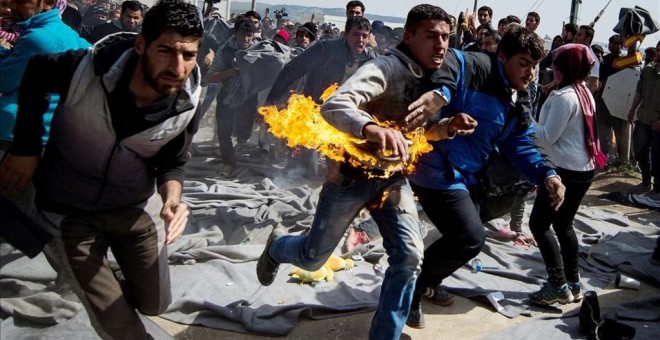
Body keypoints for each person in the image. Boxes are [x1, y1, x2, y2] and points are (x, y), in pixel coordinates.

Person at [257, 5, 476, 339]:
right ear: (409, 37)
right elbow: (335, 106)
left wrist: (447, 127)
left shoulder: (431, 81)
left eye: (445, 37)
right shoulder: (384, 68)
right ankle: (277, 247)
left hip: (392, 180)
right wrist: (373, 130)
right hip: (350, 178)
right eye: (431, 36)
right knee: (312, 257)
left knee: (410, 257)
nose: (441, 45)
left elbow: (422, 130)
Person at [0, 0, 203, 338]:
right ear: (141, 45)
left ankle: (112, 278)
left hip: (134, 212)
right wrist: (26, 149)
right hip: (69, 215)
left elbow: (173, 161)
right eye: (166, 51)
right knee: (120, 325)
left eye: (189, 55)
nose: (178, 66)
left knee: (155, 304)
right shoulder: (85, 70)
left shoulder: (187, 104)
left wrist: (173, 199)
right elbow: (36, 72)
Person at [403, 25, 565, 328]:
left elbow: (522, 143)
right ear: (502, 56)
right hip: (436, 170)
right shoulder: (475, 66)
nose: (530, 73)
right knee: (469, 237)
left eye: (535, 66)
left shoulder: (518, 98)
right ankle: (410, 288)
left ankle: (427, 280)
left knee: (464, 236)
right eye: (523, 63)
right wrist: (440, 94)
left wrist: (549, 174)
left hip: (472, 177)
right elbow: (450, 61)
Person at [528, 43, 604, 305]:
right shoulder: (584, 92)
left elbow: (547, 137)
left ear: (565, 67)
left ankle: (557, 284)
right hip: (584, 169)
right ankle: (574, 281)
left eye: (556, 64)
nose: (553, 69)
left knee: (538, 225)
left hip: (563, 172)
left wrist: (526, 122)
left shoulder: (563, 97)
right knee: (563, 224)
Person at [0, 0, 90, 216]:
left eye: (20, 0)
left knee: (13, 215)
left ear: (47, 3)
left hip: (16, 138)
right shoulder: (68, 34)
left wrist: (2, 51)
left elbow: (4, 80)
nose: (12, 6)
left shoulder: (37, 39)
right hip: (44, 137)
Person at [265, 16, 377, 178]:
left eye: (364, 36)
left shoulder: (370, 59)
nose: (360, 40)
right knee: (304, 172)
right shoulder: (325, 49)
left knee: (341, 171)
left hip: (345, 116)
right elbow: (292, 70)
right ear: (346, 35)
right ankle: (286, 152)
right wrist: (271, 100)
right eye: (355, 34)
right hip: (314, 110)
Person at [205, 18, 257, 177]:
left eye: (249, 35)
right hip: (227, 96)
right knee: (224, 131)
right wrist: (231, 72)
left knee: (244, 132)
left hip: (248, 99)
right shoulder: (225, 50)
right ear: (235, 34)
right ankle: (228, 162)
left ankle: (240, 155)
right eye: (242, 35)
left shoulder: (259, 50)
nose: (246, 39)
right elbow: (210, 77)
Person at [627, 41, 660, 196]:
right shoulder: (647, 70)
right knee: (640, 153)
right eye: (658, 50)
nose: (659, 54)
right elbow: (639, 91)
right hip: (643, 119)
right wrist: (632, 109)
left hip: (657, 122)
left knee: (658, 157)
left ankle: (657, 189)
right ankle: (646, 182)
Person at [597, 34, 625, 164]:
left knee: (619, 133)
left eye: (615, 43)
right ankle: (603, 159)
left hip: (618, 102)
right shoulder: (605, 60)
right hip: (603, 99)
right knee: (603, 132)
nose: (612, 45)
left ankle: (622, 159)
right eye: (611, 43)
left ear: (621, 45)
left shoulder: (625, 61)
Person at [79, 0, 144, 43]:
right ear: (121, 16)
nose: (132, 21)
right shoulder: (106, 29)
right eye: (129, 16)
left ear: (140, 19)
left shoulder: (141, 35)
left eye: (136, 18)